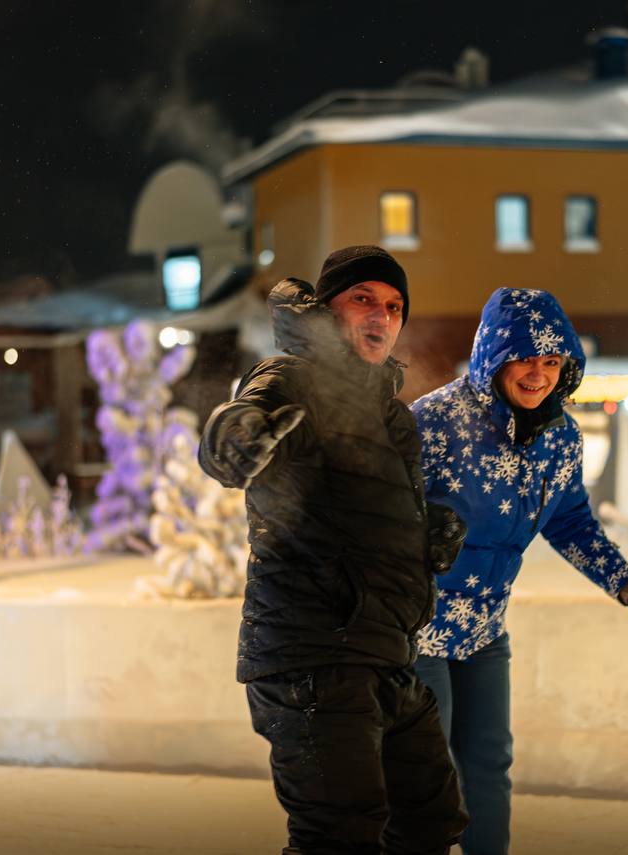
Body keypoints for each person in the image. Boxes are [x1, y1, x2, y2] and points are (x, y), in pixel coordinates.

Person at [199, 245, 469, 855]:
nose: (381, 315)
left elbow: (353, 509)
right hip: (313, 655)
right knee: (339, 836)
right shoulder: (291, 376)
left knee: (431, 822)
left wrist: (425, 535)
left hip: (385, 655)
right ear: (327, 309)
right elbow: (236, 425)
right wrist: (234, 440)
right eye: (363, 299)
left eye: (395, 306)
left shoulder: (391, 414)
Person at [411, 287, 628, 855]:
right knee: (425, 773)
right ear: (493, 357)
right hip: (418, 629)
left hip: (484, 630)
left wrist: (620, 578)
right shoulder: (435, 423)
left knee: (489, 765)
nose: (538, 374)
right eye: (525, 358)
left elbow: (569, 520)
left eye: (552, 362)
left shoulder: (561, 438)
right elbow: (379, 513)